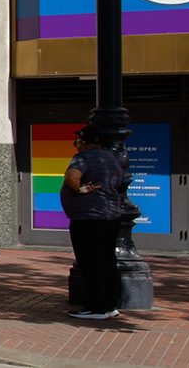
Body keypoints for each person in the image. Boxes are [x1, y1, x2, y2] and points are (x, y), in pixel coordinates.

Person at [61, 124, 129, 319]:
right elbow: (122, 182)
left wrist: (78, 188)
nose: (76, 143)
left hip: (88, 218)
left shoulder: (83, 157)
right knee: (107, 261)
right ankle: (109, 304)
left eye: (78, 139)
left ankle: (95, 307)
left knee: (90, 262)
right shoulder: (112, 158)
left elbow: (73, 177)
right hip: (110, 216)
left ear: (83, 140)